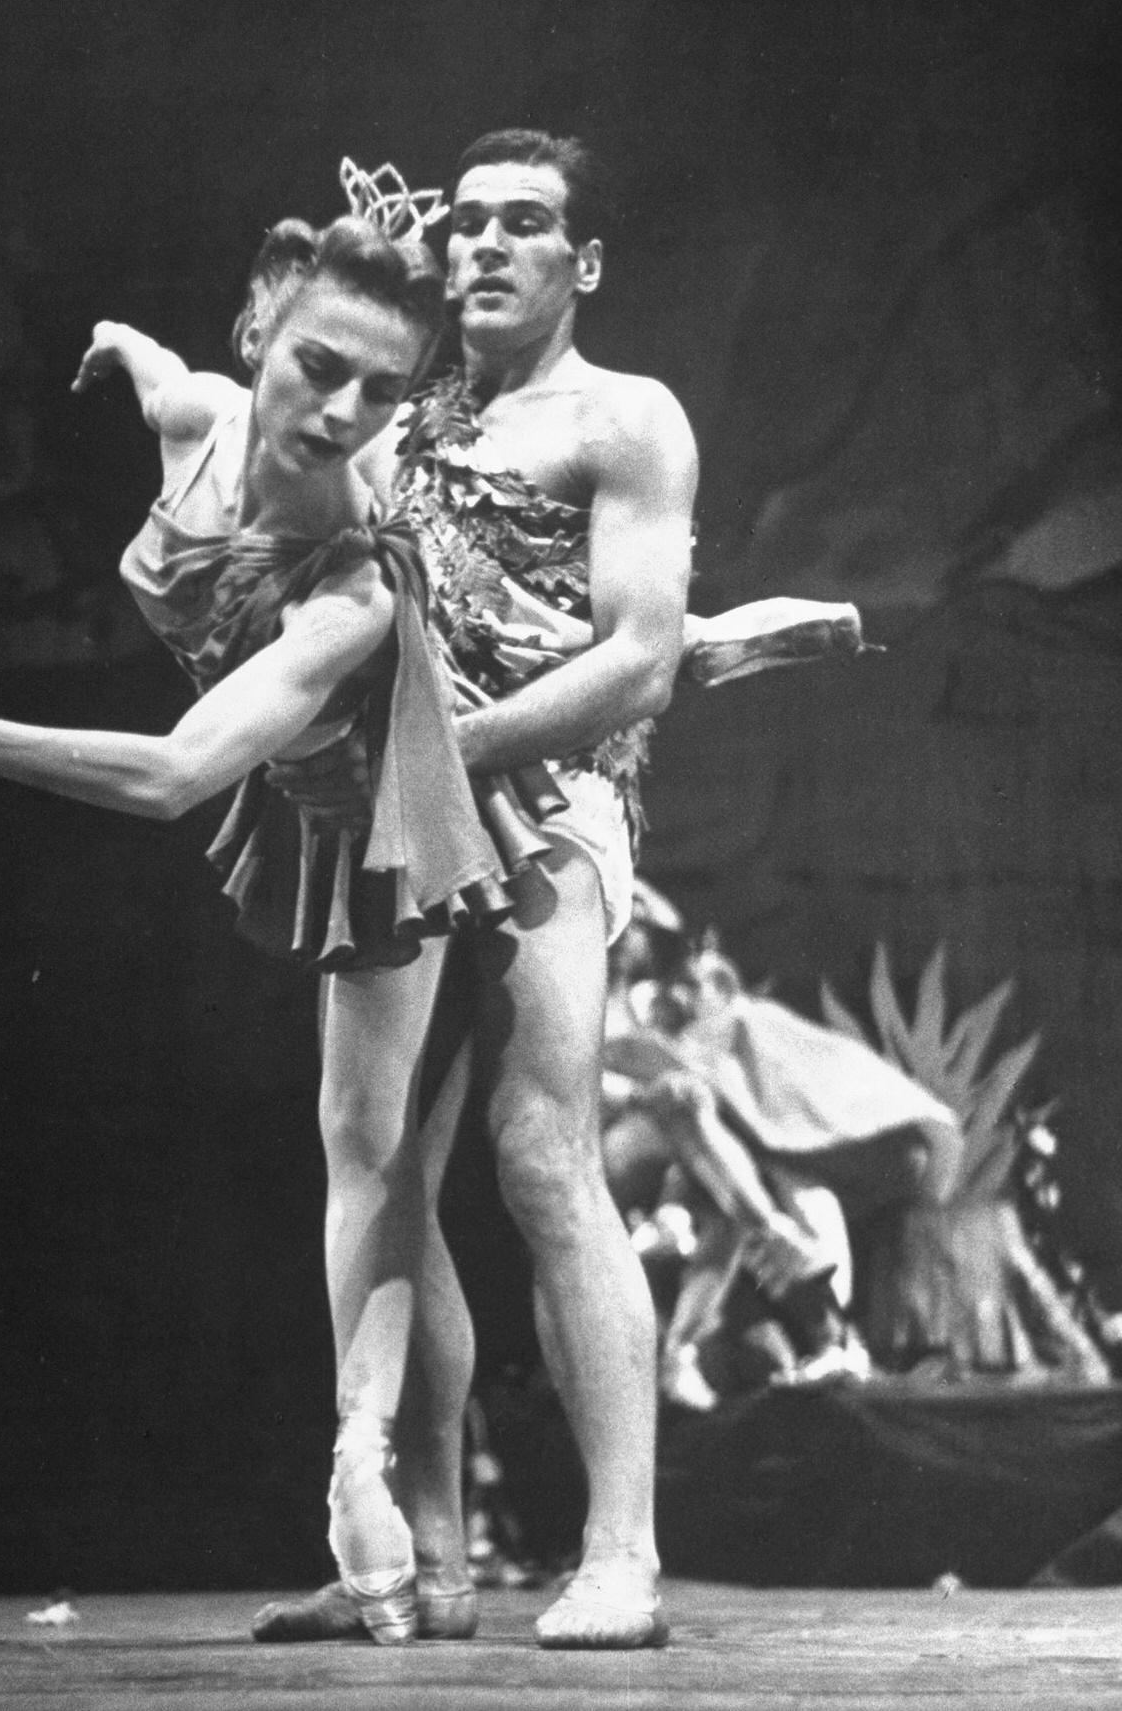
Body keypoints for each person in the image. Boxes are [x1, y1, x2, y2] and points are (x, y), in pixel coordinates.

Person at [0, 205, 548, 1646]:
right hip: (297, 796)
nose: (338, 412)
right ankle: (433, 1557)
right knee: (382, 1158)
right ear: (262, 330)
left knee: (372, 1153)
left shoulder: (347, 583)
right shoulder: (206, 413)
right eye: (318, 366)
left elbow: (168, 777)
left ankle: (370, 1473)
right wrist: (119, 343)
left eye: (381, 393)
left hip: (397, 808)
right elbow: (169, 377)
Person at [254, 129, 697, 1651]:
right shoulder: (401, 410)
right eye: (470, 224)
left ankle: (622, 1553)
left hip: (551, 810)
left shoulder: (624, 417)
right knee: (375, 1163)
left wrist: (441, 760)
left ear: (582, 261)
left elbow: (636, 653)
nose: (489, 246)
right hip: (404, 822)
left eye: (528, 224)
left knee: (539, 1153)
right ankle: (422, 1567)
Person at [602, 934, 962, 1409]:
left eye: (692, 985)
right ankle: (806, 1333)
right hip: (642, 1155)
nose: (680, 996)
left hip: (856, 1152)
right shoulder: (614, 1017)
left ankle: (817, 1333)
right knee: (717, 1154)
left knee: (732, 1160)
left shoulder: (726, 1020)